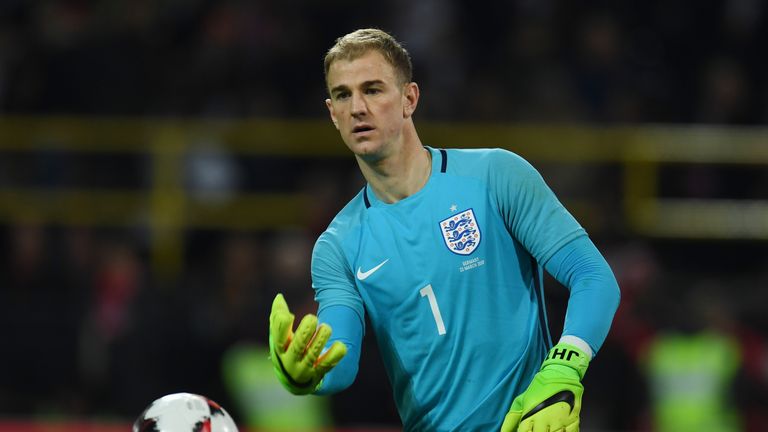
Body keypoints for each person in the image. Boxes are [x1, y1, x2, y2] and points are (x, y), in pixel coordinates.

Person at [268, 28, 621, 431]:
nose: (358, 108)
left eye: (373, 89)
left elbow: (593, 277)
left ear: (409, 99)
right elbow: (341, 361)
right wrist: (308, 372)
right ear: (332, 113)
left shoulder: (494, 176)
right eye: (344, 95)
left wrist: (565, 368)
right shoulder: (338, 246)